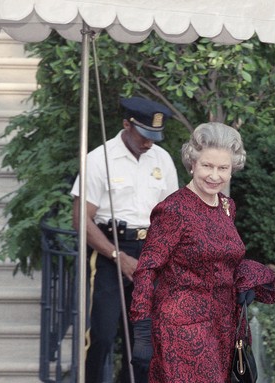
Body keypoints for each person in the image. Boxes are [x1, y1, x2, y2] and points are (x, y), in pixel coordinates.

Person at [129, 122, 275, 383]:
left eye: (223, 168)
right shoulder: (174, 209)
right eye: (207, 166)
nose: (214, 175)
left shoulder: (227, 206)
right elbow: (147, 268)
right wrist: (142, 329)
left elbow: (225, 257)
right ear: (192, 164)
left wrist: (246, 280)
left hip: (222, 326)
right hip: (182, 328)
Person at [71, 96, 179, 383]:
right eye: (144, 135)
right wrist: (119, 258)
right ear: (126, 124)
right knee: (102, 338)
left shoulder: (162, 159)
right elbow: (82, 220)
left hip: (150, 252)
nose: (149, 142)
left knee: (144, 345)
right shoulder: (99, 159)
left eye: (154, 136)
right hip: (110, 251)